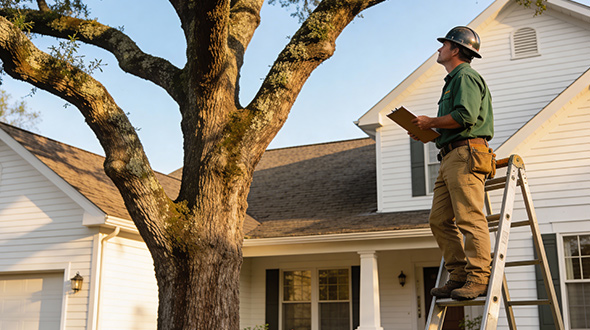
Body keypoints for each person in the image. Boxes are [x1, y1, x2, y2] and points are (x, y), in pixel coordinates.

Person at [410, 26, 495, 300]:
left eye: (443, 45)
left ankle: (479, 277)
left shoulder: (466, 77)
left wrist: (431, 121)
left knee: (469, 217)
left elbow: (466, 116)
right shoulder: (452, 81)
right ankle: (458, 275)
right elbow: (454, 122)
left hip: (465, 154)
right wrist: (428, 131)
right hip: (449, 155)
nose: (439, 49)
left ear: (455, 49)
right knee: (438, 220)